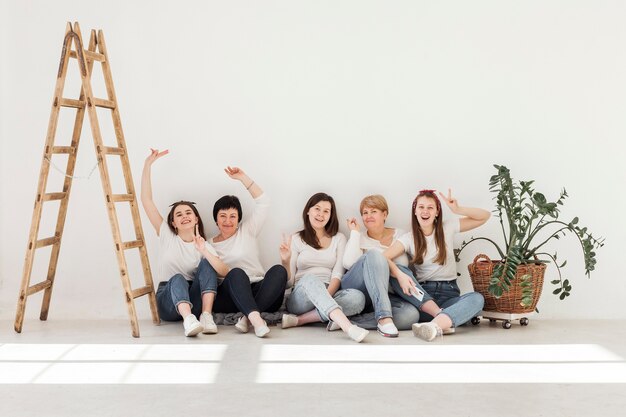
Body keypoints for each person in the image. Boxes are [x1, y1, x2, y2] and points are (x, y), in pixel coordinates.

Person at [141, 149, 229, 337]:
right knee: (178, 278)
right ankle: (188, 321)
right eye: (178, 215)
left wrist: (203, 250)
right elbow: (146, 200)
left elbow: (224, 272)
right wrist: (148, 165)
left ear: (196, 219)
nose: (184, 216)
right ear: (173, 223)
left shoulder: (203, 244)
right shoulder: (166, 235)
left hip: (194, 298)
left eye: (188, 213)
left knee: (207, 262)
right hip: (168, 300)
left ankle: (206, 317)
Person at [384, 189, 490, 341]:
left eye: (430, 207)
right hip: (423, 297)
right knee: (398, 270)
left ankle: (433, 326)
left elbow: (484, 217)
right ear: (415, 211)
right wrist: (399, 274)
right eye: (421, 207)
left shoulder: (447, 228)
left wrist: (457, 209)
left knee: (477, 299)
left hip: (450, 296)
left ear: (437, 212)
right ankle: (443, 321)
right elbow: (382, 258)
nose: (425, 211)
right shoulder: (408, 239)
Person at [279, 193, 369, 343]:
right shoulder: (296, 239)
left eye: (326, 211)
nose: (321, 214)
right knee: (310, 278)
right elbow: (289, 283)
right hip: (301, 296)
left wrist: (324, 297)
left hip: (329, 291)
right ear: (308, 211)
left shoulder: (339, 238)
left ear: (331, 215)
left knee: (358, 298)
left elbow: (337, 274)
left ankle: (300, 320)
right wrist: (285, 261)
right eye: (317, 209)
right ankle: (348, 327)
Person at [210, 166, 287, 338]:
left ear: (239, 219)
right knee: (237, 273)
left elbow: (264, 202)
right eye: (223, 216)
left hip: (260, 292)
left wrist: (243, 178)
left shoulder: (248, 230)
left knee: (279, 271)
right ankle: (257, 319)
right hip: (231, 296)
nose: (228, 221)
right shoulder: (208, 245)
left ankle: (248, 317)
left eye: (233, 216)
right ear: (216, 219)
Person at [342, 194, 421, 337]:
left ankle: (347, 322)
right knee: (374, 255)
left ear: (384, 214)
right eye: (365, 213)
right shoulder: (359, 237)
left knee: (410, 315)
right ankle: (384, 319)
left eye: (373, 211)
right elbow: (348, 264)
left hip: (388, 295)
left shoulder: (401, 235)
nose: (368, 216)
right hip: (362, 291)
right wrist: (354, 232)